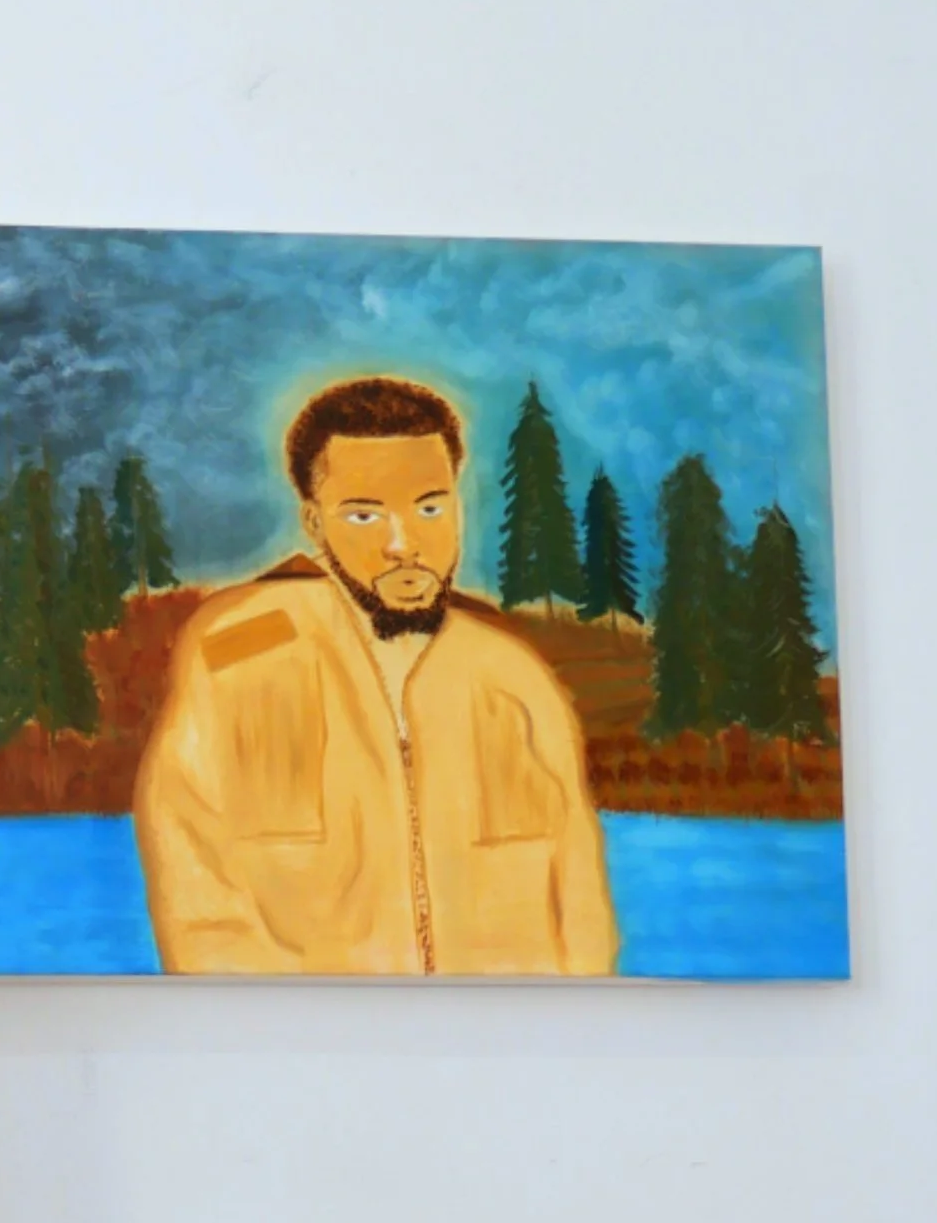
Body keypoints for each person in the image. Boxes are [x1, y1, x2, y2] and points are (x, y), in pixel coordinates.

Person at [132, 374, 616, 976]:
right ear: (314, 524)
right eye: (364, 515)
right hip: (303, 1028)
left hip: (498, 1028)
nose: (403, 544)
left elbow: (580, 907)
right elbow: (197, 893)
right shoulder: (237, 654)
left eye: (430, 507)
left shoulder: (513, 678)